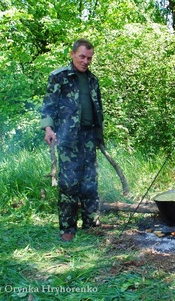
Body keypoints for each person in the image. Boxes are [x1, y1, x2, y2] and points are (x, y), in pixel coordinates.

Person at [41, 39, 104, 241]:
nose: (86, 61)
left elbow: (98, 109)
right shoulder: (59, 77)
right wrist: (48, 129)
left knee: (90, 183)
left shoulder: (93, 80)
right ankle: (67, 229)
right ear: (72, 54)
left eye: (89, 58)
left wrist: (99, 136)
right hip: (67, 137)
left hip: (88, 137)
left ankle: (90, 223)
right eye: (82, 57)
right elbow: (48, 106)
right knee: (68, 184)